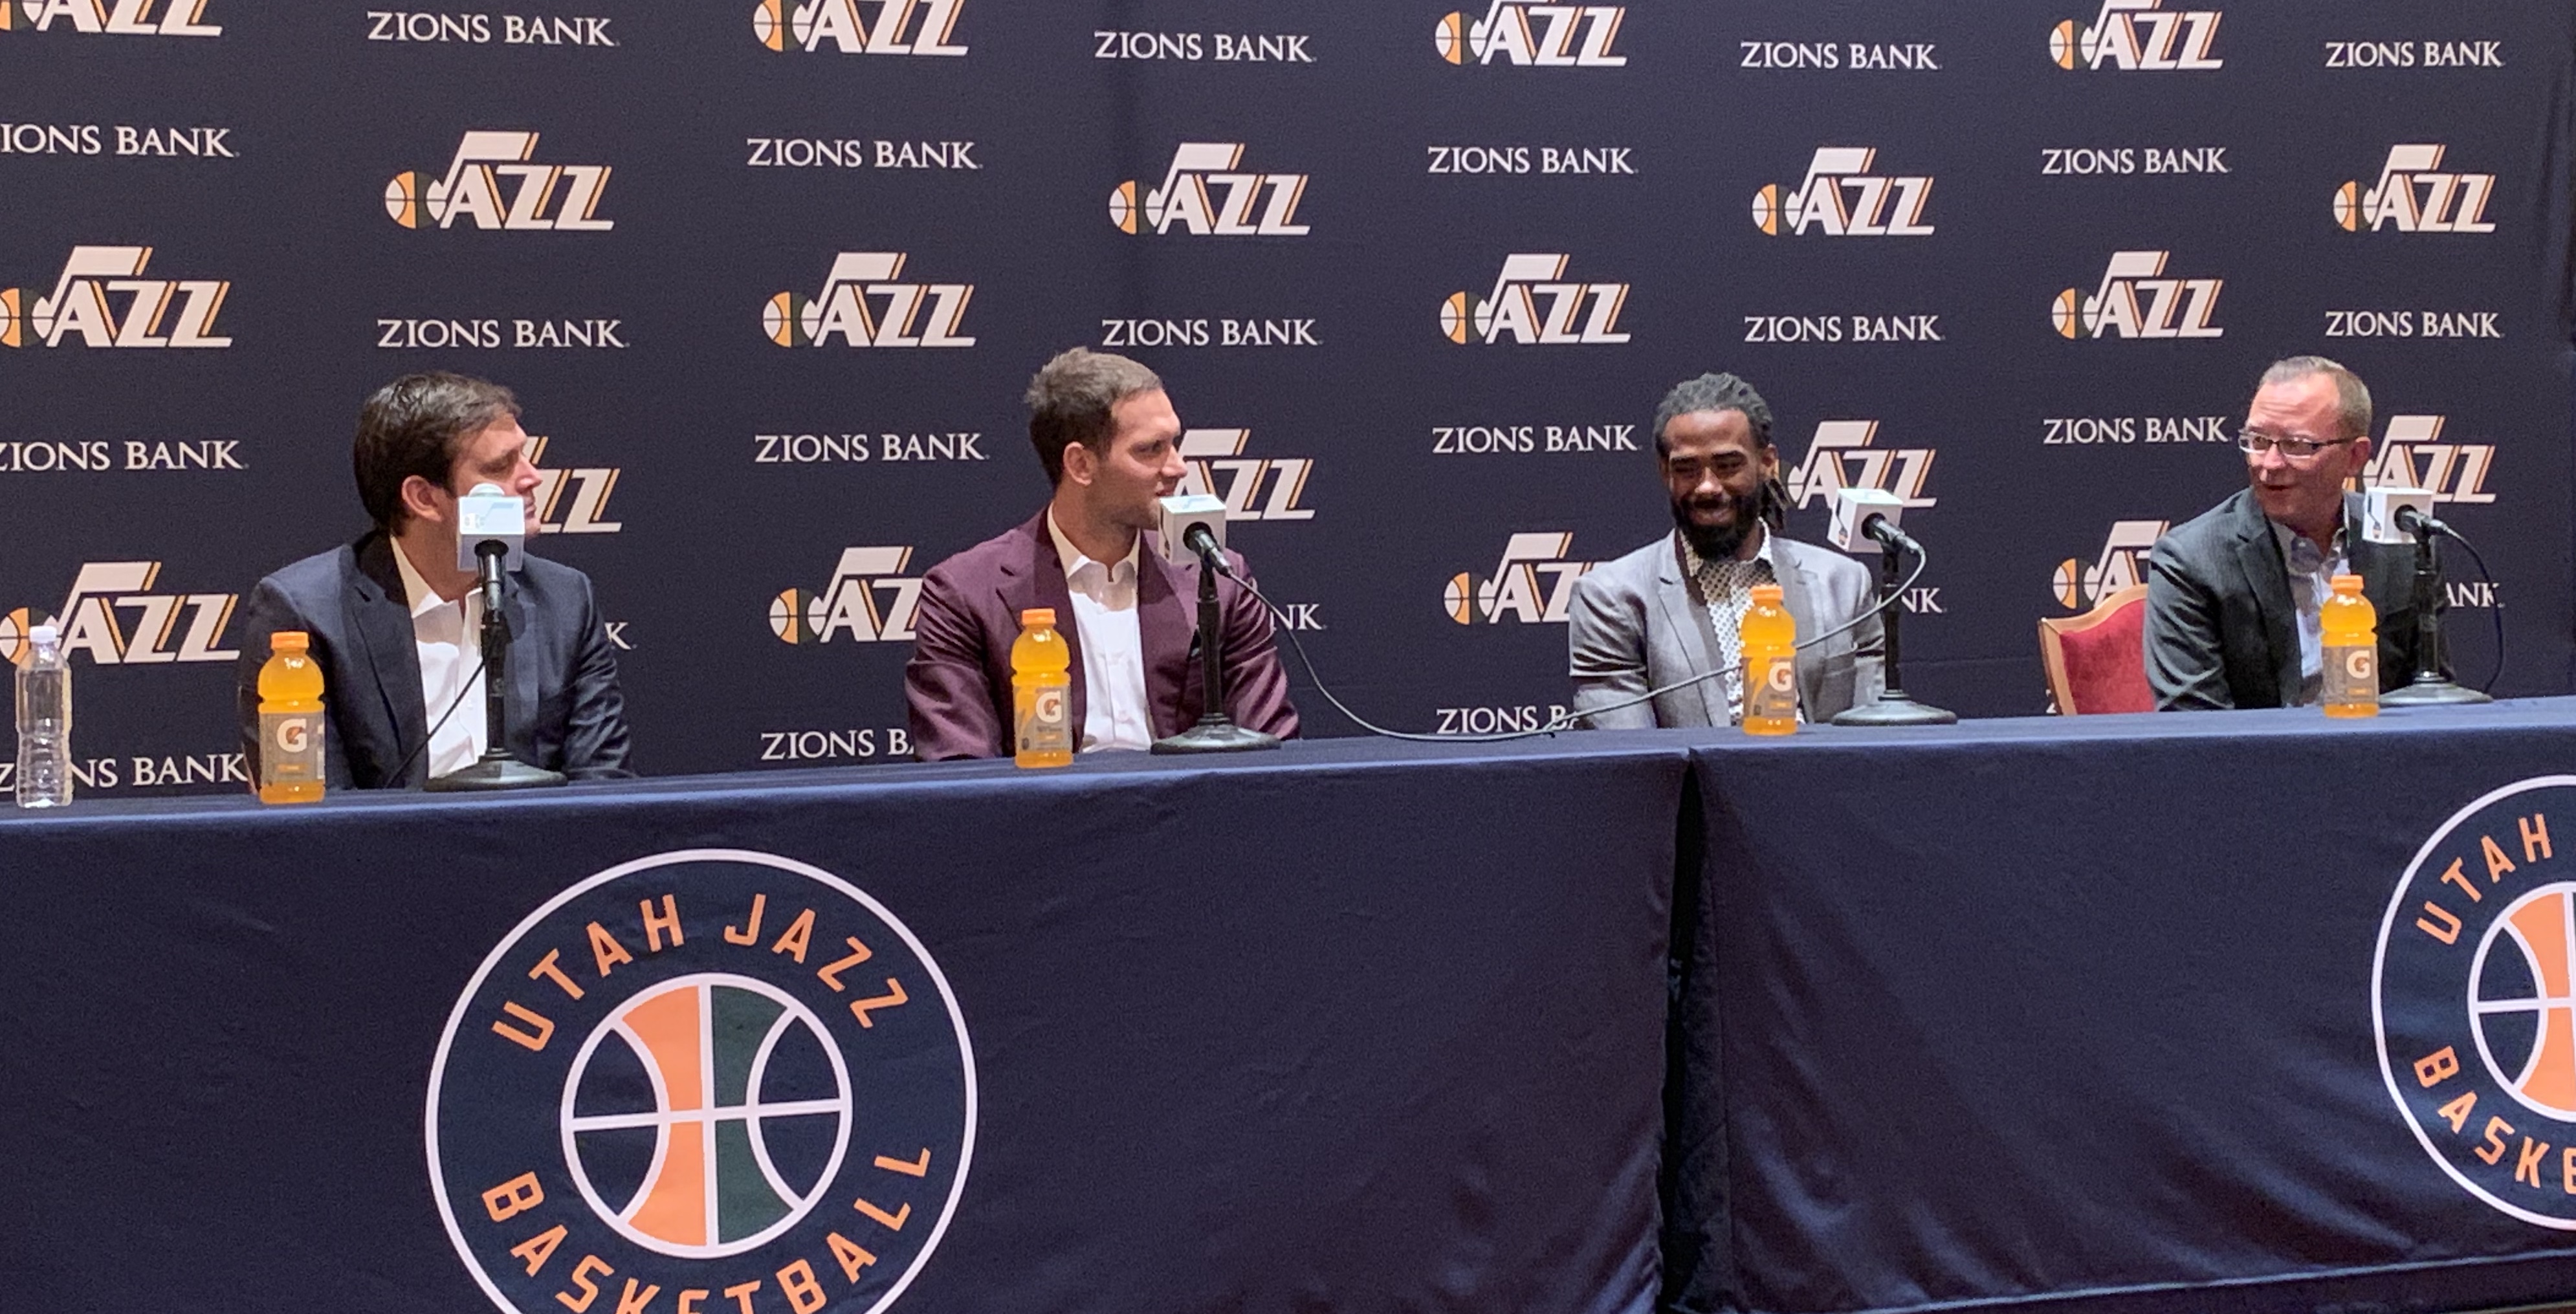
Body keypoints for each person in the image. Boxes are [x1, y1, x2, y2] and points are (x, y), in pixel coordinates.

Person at [234, 371, 633, 787]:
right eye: (500, 467)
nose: (532, 478)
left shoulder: (566, 599)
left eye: (525, 456)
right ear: (423, 498)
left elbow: (601, 783)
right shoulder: (304, 613)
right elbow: (315, 809)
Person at [905, 347, 1299, 760]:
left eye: (1174, 444)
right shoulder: (965, 593)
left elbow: (1271, 752)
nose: (1179, 467)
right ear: (1080, 465)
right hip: (1043, 818)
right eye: (1150, 449)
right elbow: (959, 771)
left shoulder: (1219, 577)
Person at [1569, 372, 1884, 728]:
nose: (1707, 486)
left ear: (1767, 463)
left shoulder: (1844, 584)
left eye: (1727, 465)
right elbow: (1633, 759)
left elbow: (1872, 739)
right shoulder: (1611, 598)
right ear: (1664, 472)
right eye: (1687, 469)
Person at [2146, 355, 2425, 710]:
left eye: (2297, 445)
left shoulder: (2402, 540)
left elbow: (2431, 693)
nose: (2269, 465)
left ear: (2355, 456)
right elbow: (2195, 723)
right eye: (2258, 441)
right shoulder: (2192, 559)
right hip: (2260, 761)